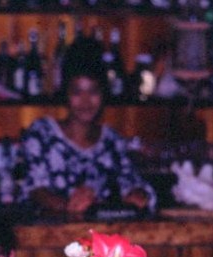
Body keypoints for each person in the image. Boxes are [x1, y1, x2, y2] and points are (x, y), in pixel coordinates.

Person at [19, 37, 155, 216]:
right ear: (65, 93)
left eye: (93, 91)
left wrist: (138, 195)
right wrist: (68, 205)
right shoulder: (42, 135)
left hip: (101, 233)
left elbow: (135, 184)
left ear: (103, 93)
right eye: (77, 92)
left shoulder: (112, 141)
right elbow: (34, 189)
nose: (85, 101)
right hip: (48, 232)